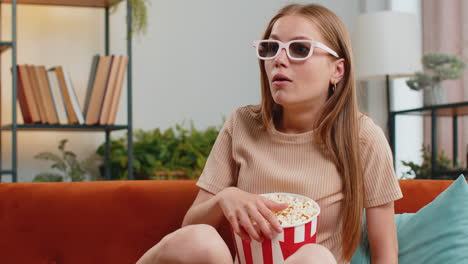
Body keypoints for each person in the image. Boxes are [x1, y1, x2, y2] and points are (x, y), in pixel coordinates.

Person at [137, 3, 402, 264]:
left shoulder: (363, 137)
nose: (279, 59)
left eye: (299, 49)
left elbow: (385, 254)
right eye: (271, 48)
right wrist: (224, 199)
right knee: (200, 239)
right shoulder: (241, 123)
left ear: (337, 70)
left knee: (315, 257)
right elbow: (189, 226)